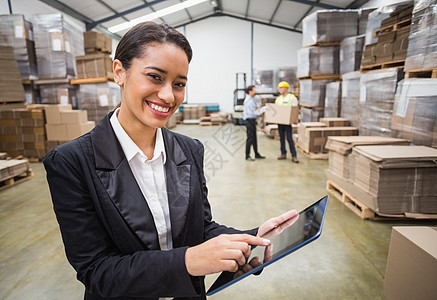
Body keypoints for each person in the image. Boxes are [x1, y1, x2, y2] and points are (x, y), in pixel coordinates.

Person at [43, 22, 298, 300]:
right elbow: (96, 270)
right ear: (119, 72)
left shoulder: (189, 150)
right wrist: (187, 262)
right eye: (154, 77)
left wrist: (249, 238)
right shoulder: (71, 162)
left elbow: (199, 227)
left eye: (179, 84)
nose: (168, 95)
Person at [275, 81, 299, 163]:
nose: (280, 89)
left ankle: (294, 155)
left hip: (288, 121)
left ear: (286, 88)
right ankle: (283, 153)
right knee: (281, 138)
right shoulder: (278, 99)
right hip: (280, 121)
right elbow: (276, 110)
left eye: (281, 88)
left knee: (289, 138)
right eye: (279, 88)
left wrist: (296, 118)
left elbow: (295, 109)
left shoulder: (292, 98)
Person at [243, 85, 265, 161]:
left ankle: (256, 154)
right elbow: (251, 113)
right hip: (249, 120)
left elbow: (253, 109)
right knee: (250, 138)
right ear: (250, 91)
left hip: (252, 120)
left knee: (254, 138)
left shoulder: (251, 99)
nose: (255, 91)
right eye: (254, 90)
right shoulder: (248, 101)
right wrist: (261, 111)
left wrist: (257, 109)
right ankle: (247, 155)